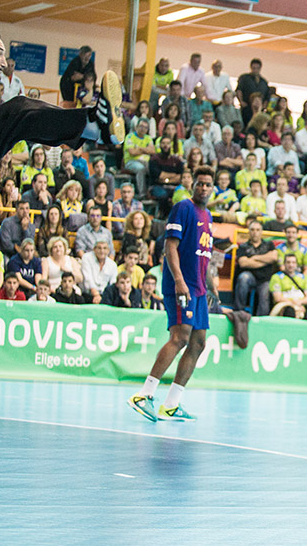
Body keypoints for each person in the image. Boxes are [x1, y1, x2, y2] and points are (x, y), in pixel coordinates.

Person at [128, 166, 215, 422]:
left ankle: (171, 404)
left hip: (198, 289)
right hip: (182, 284)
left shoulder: (208, 215)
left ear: (213, 188)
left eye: (208, 184)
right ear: (193, 185)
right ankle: (144, 395)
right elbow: (170, 246)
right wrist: (179, 280)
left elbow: (204, 256)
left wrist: (210, 287)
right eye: (199, 183)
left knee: (199, 343)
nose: (203, 188)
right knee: (179, 338)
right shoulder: (183, 208)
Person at [234, 220, 278, 316]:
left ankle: (261, 320)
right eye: (252, 230)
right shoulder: (243, 246)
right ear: (249, 231)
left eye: (257, 230)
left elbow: (273, 257)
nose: (255, 232)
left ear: (261, 232)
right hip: (249, 277)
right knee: (243, 277)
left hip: (265, 279)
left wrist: (254, 258)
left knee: (266, 290)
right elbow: (243, 263)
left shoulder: (269, 245)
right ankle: (239, 312)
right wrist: (265, 260)